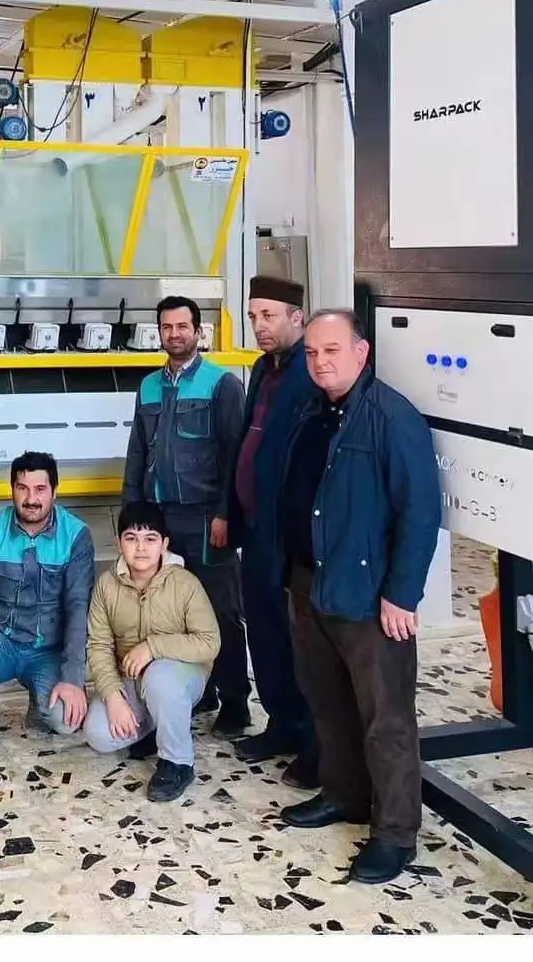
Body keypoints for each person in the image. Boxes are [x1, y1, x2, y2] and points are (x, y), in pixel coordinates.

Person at [277, 309, 440, 885]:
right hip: (310, 584)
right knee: (328, 702)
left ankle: (395, 833)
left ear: (361, 352)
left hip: (368, 596)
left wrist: (402, 595)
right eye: (312, 353)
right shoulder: (313, 409)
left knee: (385, 718)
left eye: (332, 350)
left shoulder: (392, 418)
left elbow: (420, 513)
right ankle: (344, 794)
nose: (320, 362)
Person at [122, 295, 251, 737]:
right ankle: (202, 691)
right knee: (172, 613)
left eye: (182, 327)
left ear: (198, 332)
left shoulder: (222, 384)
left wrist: (226, 515)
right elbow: (137, 453)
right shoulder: (148, 387)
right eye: (167, 327)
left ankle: (235, 702)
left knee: (220, 611)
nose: (174, 334)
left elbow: (236, 458)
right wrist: (132, 516)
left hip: (207, 519)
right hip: (160, 521)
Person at [226, 277, 319, 790]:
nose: (259, 326)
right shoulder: (264, 369)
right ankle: (281, 724)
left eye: (269, 316)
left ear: (296, 317)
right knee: (263, 632)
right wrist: (230, 512)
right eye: (253, 316)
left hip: (290, 536)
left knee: (299, 641)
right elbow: (246, 442)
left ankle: (313, 742)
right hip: (255, 529)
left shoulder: (310, 372)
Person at [0, 452, 96, 773]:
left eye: (40, 489)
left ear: (54, 491)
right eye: (23, 488)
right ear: (12, 490)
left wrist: (73, 679)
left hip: (47, 651)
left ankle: (39, 704)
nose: (31, 499)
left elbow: (78, 607)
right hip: (0, 642)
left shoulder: (76, 536)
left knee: (66, 720)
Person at [83, 501, 220, 803]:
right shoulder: (106, 586)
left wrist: (153, 647)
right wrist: (113, 697)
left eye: (150, 538)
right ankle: (158, 725)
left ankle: (177, 762)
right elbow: (99, 646)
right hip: (132, 679)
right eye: (131, 538)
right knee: (99, 734)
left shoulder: (184, 583)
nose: (141, 548)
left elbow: (210, 642)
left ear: (164, 544)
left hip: (181, 676)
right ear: (119, 543)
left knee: (160, 677)